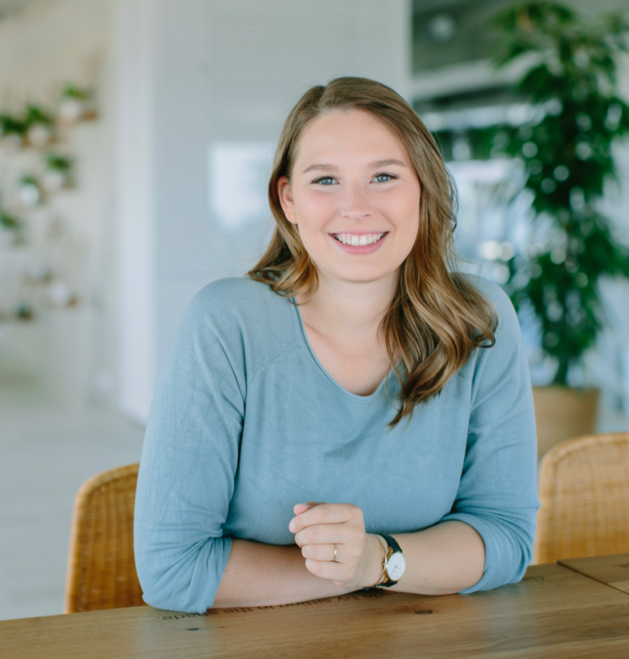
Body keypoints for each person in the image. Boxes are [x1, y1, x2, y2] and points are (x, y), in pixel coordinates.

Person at [133, 77, 538, 613]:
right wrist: (369, 570)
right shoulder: (226, 324)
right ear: (289, 199)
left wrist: (376, 558)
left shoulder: (480, 320)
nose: (356, 207)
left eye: (384, 176)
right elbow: (172, 571)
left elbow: (506, 539)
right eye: (325, 180)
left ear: (424, 189)